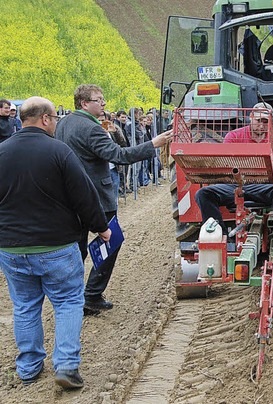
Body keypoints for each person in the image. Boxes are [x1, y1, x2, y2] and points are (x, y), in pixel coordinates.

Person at [0, 96, 111, 389]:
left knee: (24, 306)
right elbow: (84, 194)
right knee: (67, 303)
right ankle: (66, 367)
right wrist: (101, 227)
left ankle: (28, 368)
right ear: (46, 119)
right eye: (55, 120)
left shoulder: (1, 152)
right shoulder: (59, 151)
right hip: (56, 246)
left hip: (11, 248)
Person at [55, 84, 173, 315]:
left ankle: (72, 297)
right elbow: (118, 155)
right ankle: (91, 295)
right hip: (97, 197)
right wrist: (153, 144)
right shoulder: (92, 128)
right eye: (99, 99)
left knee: (77, 248)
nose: (104, 103)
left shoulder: (64, 123)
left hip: (69, 198)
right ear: (84, 104)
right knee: (111, 240)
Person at [195, 102, 273, 261]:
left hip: (261, 186)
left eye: (265, 122)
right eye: (258, 120)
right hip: (234, 186)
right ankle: (222, 239)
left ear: (271, 122)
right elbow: (225, 168)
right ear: (250, 117)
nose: (261, 125)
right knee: (203, 194)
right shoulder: (234, 137)